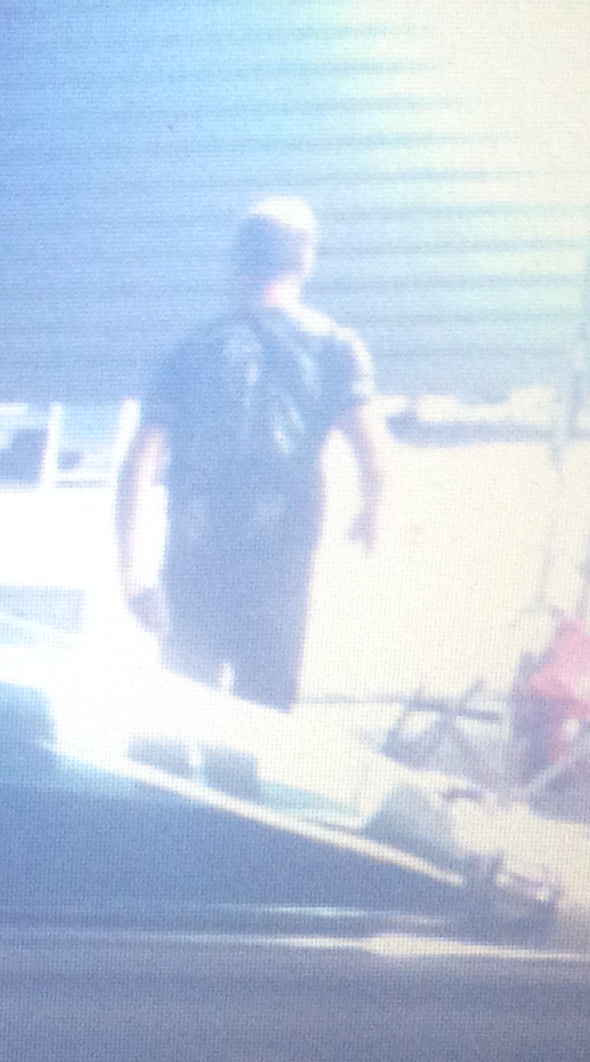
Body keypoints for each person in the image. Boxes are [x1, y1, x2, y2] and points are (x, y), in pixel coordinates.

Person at [114, 196, 385, 710]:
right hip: (278, 563)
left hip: (195, 557)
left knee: (179, 710)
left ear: (236, 263)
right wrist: (372, 509)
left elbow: (138, 463)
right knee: (263, 716)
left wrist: (131, 569)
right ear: (305, 264)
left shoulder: (192, 349)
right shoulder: (334, 348)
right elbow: (373, 454)